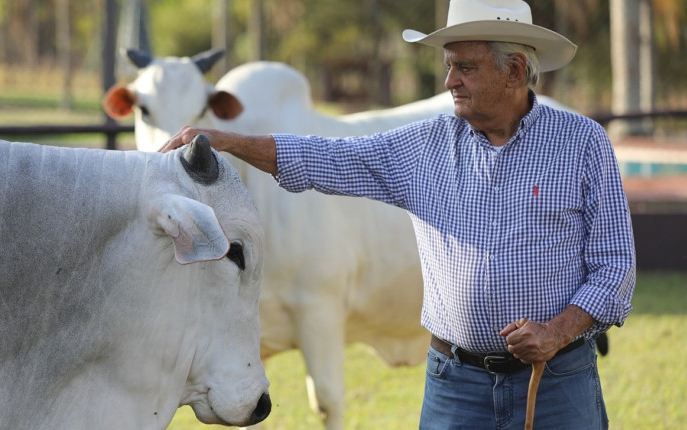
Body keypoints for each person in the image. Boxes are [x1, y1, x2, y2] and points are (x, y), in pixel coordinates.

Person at [159, 0, 636, 428]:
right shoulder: (424, 144)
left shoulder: (582, 143)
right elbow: (327, 158)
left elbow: (615, 267)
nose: (450, 81)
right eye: (449, 66)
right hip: (456, 385)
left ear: (514, 70)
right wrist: (224, 141)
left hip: (557, 381)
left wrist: (554, 333)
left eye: (465, 68)